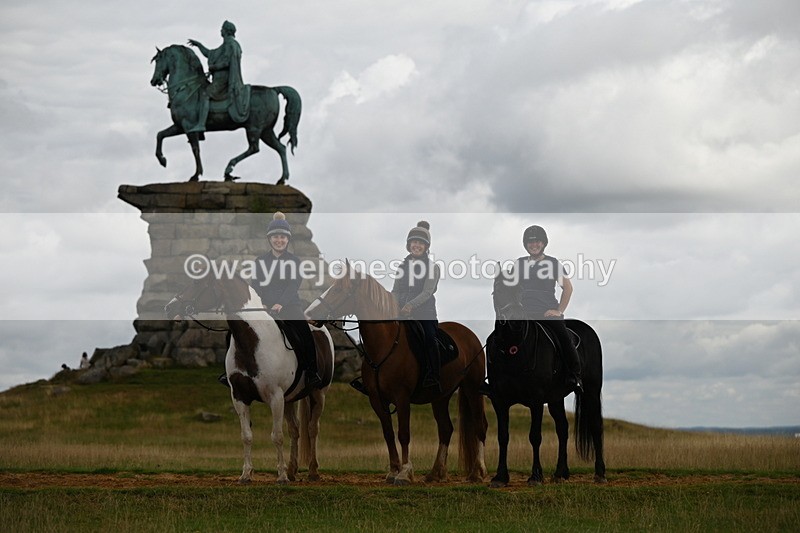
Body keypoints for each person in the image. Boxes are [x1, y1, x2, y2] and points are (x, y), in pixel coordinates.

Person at [252, 212, 321, 388]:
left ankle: (312, 371)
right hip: (264, 307)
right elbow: (256, 285)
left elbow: (293, 285)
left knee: (304, 332)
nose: (279, 240)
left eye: (282, 237)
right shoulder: (260, 261)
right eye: (275, 237)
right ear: (270, 239)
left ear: (287, 239)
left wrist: (280, 303)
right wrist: (264, 304)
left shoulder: (294, 261)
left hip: (289, 305)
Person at [512, 225, 583, 393]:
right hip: (524, 313)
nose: (534, 245)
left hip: (546, 312)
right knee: (503, 336)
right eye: (530, 242)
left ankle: (575, 375)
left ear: (543, 243)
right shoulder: (519, 263)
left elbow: (568, 288)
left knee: (563, 337)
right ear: (525, 244)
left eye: (537, 241)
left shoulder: (552, 263)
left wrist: (559, 310)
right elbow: (512, 288)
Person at [391, 221, 442, 390]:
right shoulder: (401, 267)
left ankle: (434, 375)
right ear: (408, 245)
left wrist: (410, 306)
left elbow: (428, 292)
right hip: (400, 311)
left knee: (429, 337)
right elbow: (395, 290)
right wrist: (393, 304)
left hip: (424, 313)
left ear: (426, 247)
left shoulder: (432, 267)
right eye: (414, 242)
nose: (417, 245)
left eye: (421, 243)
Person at [188, 20, 250, 124]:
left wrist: (214, 67)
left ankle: (201, 124)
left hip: (224, 80)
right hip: (221, 79)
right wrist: (199, 45)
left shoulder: (230, 45)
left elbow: (226, 63)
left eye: (222, 29)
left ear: (226, 31)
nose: (220, 30)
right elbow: (210, 53)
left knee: (205, 95)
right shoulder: (226, 44)